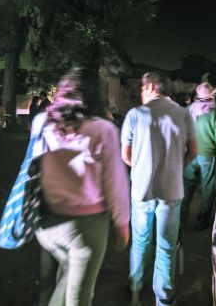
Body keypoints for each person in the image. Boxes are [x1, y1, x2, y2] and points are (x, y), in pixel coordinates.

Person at [31, 68, 130, 306]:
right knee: (80, 296)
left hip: (46, 222)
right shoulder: (103, 129)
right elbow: (115, 182)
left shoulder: (41, 122)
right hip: (85, 226)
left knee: (68, 271)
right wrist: (122, 222)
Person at [121, 71, 197, 306]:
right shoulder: (183, 114)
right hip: (171, 189)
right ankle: (163, 298)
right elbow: (193, 151)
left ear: (151, 87)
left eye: (142, 88)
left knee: (140, 241)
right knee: (166, 246)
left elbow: (126, 155)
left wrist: (141, 167)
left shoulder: (135, 115)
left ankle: (135, 285)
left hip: (142, 190)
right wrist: (176, 167)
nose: (141, 93)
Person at [182, 82, 216, 231]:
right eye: (213, 94)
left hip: (190, 154)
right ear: (210, 97)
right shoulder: (214, 114)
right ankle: (202, 220)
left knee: (187, 186)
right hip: (207, 155)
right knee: (208, 188)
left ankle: (181, 217)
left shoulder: (189, 110)